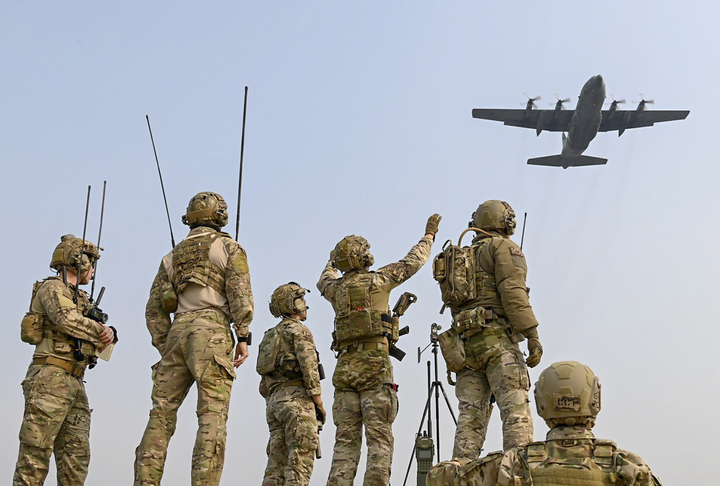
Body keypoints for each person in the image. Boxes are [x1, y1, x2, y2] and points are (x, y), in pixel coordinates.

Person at [134, 191, 254, 486]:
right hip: (211, 331)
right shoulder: (228, 246)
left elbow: (153, 310)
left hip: (177, 332)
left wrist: (165, 344)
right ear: (219, 216)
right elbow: (240, 294)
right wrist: (243, 336)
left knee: (160, 415)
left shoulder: (171, 256)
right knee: (211, 416)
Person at [317, 213, 442, 486]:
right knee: (379, 440)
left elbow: (323, 279)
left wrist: (332, 260)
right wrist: (429, 236)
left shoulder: (335, 289)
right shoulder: (379, 280)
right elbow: (413, 262)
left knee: (344, 444)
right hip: (374, 367)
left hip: (345, 369)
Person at [426, 361, 662, 486]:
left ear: (540, 404)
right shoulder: (627, 467)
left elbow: (436, 477)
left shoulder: (512, 464)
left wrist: (466, 460)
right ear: (595, 400)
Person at [440, 200, 542, 459]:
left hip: (464, 346)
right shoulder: (503, 247)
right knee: (515, 411)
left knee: (469, 420)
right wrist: (532, 335)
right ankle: (517, 475)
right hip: (496, 341)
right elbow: (513, 294)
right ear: (505, 222)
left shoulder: (460, 257)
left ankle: (460, 475)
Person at [14, 234, 117, 486]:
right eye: (90, 263)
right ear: (77, 261)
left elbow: (99, 339)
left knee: (76, 459)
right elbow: (65, 320)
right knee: (35, 457)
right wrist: (99, 331)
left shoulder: (80, 298)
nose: (92, 270)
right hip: (50, 378)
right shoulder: (52, 288)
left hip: (75, 382)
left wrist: (111, 333)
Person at [257, 282, 325, 486]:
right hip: (298, 402)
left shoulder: (269, 336)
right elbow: (309, 368)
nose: (305, 305)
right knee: (300, 463)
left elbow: (263, 382)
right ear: (292, 304)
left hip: (274, 403)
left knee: (275, 465)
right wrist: (318, 402)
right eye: (301, 299)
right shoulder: (299, 331)